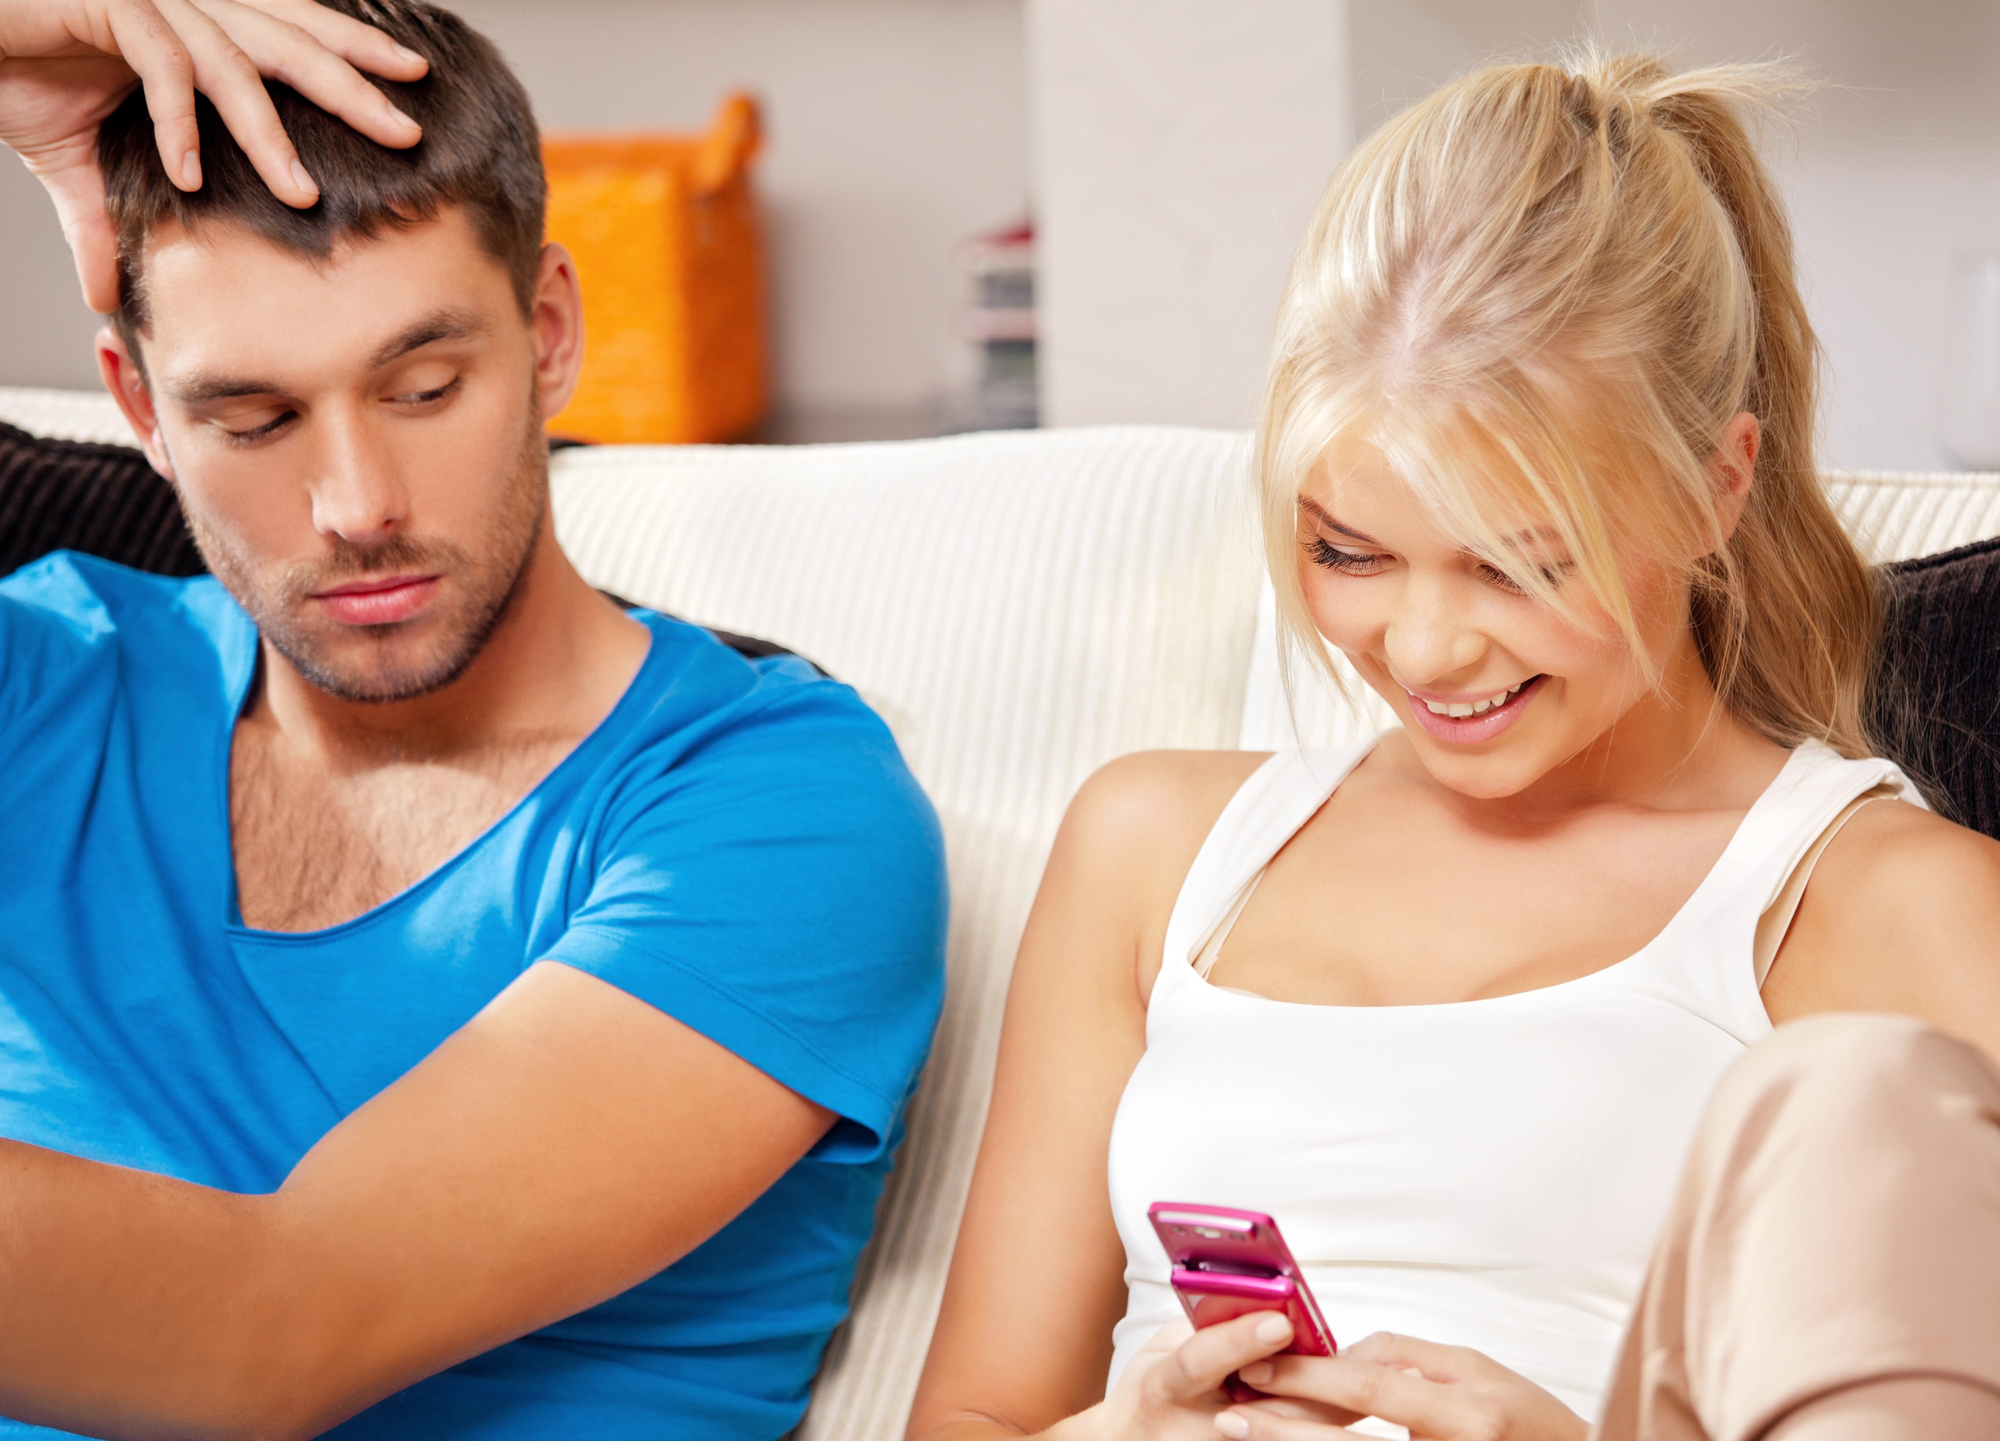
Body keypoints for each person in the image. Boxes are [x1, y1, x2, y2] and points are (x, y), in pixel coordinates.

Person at [909, 53, 2000, 1441]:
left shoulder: (1888, 904)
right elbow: (977, 1415)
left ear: (1718, 486)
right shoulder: (1157, 849)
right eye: (1347, 550)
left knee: (1860, 1093)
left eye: (1514, 565)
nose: (1422, 651)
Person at [0, 2, 947, 1438]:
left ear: (549, 330)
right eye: (253, 420)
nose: (356, 503)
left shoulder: (775, 807)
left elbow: (267, 1325)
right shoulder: (51, 678)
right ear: (133, 397)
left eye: (424, 386)